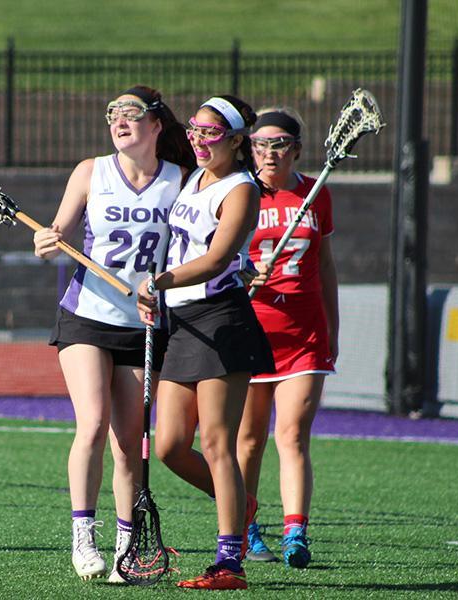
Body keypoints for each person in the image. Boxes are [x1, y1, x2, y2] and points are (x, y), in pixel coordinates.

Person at [32, 85, 195, 582]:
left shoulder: (182, 181)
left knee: (130, 443)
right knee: (93, 423)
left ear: (156, 125)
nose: (119, 121)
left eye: (131, 113)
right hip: (86, 315)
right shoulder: (91, 172)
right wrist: (48, 239)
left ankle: (127, 548)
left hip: (143, 322)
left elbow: (193, 249)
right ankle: (84, 536)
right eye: (113, 114)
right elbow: (56, 231)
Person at [136, 95, 275, 591]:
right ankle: (239, 502)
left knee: (218, 443)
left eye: (211, 132)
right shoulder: (193, 177)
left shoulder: (240, 189)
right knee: (172, 445)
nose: (198, 139)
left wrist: (161, 281)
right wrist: (157, 294)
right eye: (194, 129)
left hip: (222, 322)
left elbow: (217, 259)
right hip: (183, 321)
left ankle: (228, 564)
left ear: (238, 142)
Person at [239, 106, 339, 568]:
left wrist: (332, 325)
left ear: (297, 149)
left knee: (292, 434)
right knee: (248, 440)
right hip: (251, 328)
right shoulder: (240, 195)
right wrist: (244, 272)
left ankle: (296, 531)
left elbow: (324, 263)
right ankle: (244, 527)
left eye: (279, 144)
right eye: (260, 144)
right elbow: (211, 256)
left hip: (305, 333)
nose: (269, 153)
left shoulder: (316, 194)